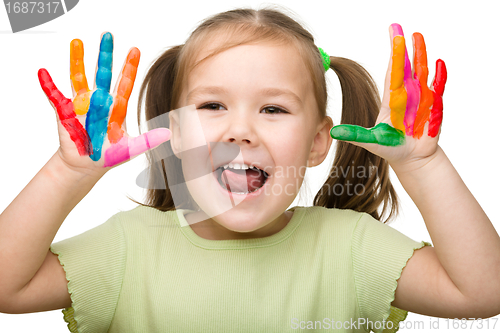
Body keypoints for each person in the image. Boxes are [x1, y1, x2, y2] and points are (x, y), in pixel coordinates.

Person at [1, 6, 499, 333]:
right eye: (213, 105)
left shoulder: (350, 247)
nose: (240, 130)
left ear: (316, 142)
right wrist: (67, 172)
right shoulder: (127, 247)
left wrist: (424, 162)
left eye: (274, 109)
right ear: (175, 133)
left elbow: (482, 293)